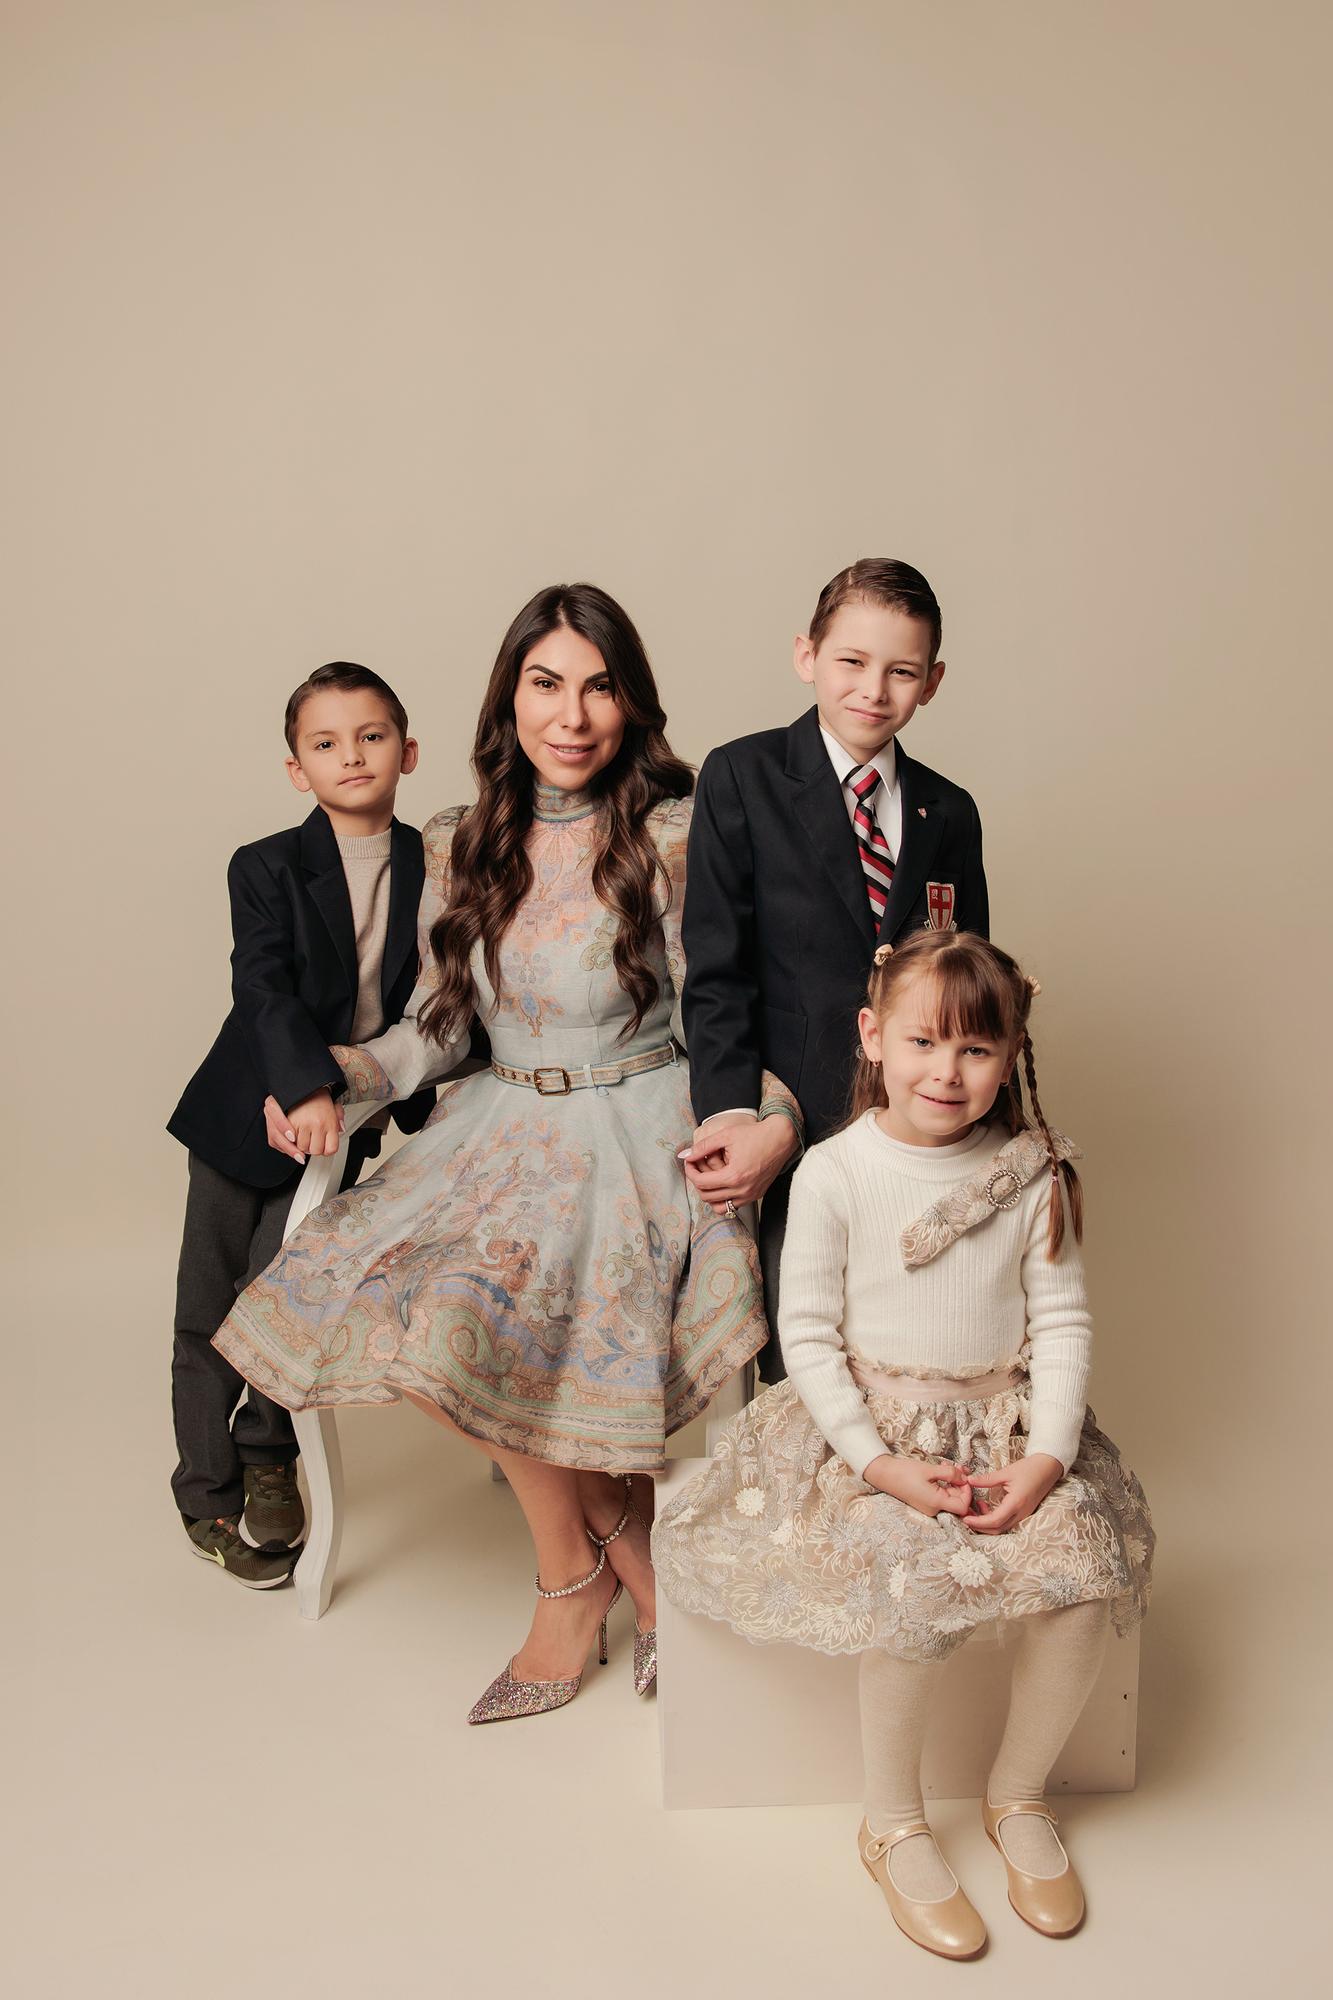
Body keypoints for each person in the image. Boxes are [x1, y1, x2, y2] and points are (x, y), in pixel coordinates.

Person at [212, 584, 801, 1716]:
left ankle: (566, 1590)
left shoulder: (676, 831)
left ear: (630, 704)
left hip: (638, 1122)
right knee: (412, 1317)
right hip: (499, 1122)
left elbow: (726, 1013)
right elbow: (437, 1025)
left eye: (598, 687)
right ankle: (615, 1544)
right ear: (508, 698)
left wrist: (769, 1119)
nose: (570, 715)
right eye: (545, 684)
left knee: (510, 1314)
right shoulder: (457, 837)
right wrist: (338, 1078)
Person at [654, 930, 1153, 1959]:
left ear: (1010, 1054)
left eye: (976, 1048)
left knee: (1080, 1578)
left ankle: (1017, 1796)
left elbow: (1061, 1323)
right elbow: (807, 1335)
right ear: (872, 1035)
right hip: (873, 1438)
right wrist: (879, 1464)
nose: (947, 1071)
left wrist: (1043, 1458)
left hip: (1003, 1431)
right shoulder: (834, 1171)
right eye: (923, 1041)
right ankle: (892, 1822)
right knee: (911, 1584)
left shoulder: (1031, 1173)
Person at [678, 558, 989, 1380]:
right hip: (793, 1122)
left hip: (920, 1125)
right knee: (802, 1355)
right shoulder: (741, 776)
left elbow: (969, 988)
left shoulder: (949, 811)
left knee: (922, 1345)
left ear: (931, 682)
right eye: (851, 661)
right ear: (805, 655)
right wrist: (731, 1115)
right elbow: (716, 971)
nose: (872, 690)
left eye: (901, 671)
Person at [167, 662, 436, 1585]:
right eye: (325, 743)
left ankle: (267, 1451)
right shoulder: (265, 864)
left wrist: (356, 1096)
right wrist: (304, 1085)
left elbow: (439, 997)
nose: (350, 756)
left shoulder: (435, 866)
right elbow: (263, 987)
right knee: (209, 1309)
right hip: (245, 1115)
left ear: (407, 751)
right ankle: (205, 1494)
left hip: (343, 1122)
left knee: (284, 1298)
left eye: (370, 736)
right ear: (298, 769)